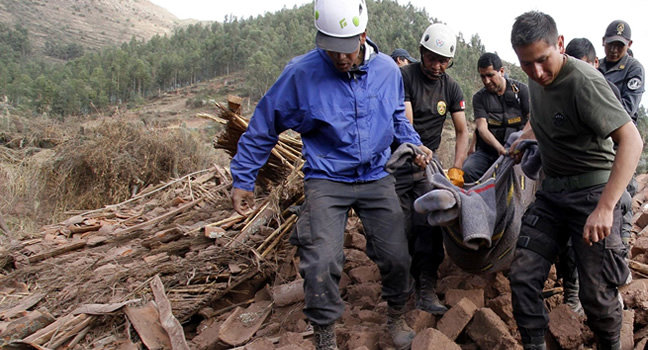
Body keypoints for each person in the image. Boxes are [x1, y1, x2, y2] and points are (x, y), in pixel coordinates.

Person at [229, 0, 432, 349]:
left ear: (363, 36)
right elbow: (264, 125)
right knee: (321, 260)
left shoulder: (386, 70)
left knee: (397, 255)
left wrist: (413, 144)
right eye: (332, 50)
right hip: (327, 177)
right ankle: (325, 337)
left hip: (376, 174)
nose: (340, 58)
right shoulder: (301, 73)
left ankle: (396, 316)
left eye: (347, 49)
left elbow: (397, 117)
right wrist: (243, 178)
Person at [508, 11, 642, 350]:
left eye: (542, 60)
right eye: (526, 65)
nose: (536, 72)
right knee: (523, 276)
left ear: (560, 44)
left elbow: (632, 140)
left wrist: (606, 207)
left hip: (592, 194)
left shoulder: (584, 81)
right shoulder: (535, 81)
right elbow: (539, 121)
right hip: (553, 195)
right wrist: (522, 140)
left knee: (596, 295)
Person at [394, 22, 469, 315]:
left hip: (427, 167)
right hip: (399, 161)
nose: (437, 66)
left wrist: (457, 168)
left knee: (430, 223)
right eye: (432, 58)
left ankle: (426, 286)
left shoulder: (450, 86)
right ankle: (399, 288)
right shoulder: (404, 76)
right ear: (421, 52)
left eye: (444, 60)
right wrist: (415, 148)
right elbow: (406, 120)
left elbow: (462, 130)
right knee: (398, 227)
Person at [462, 52, 529, 183]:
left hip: (518, 150)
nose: (486, 81)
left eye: (490, 75)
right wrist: (500, 149)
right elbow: (482, 128)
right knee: (467, 171)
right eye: (483, 76)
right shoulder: (479, 98)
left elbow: (533, 121)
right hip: (488, 152)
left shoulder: (522, 91)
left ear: (501, 71)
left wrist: (520, 143)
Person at [599, 20, 644, 125]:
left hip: (620, 131)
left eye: (620, 46)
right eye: (610, 44)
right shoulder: (595, 66)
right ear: (603, 41)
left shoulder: (634, 69)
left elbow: (627, 109)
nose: (614, 50)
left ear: (629, 44)